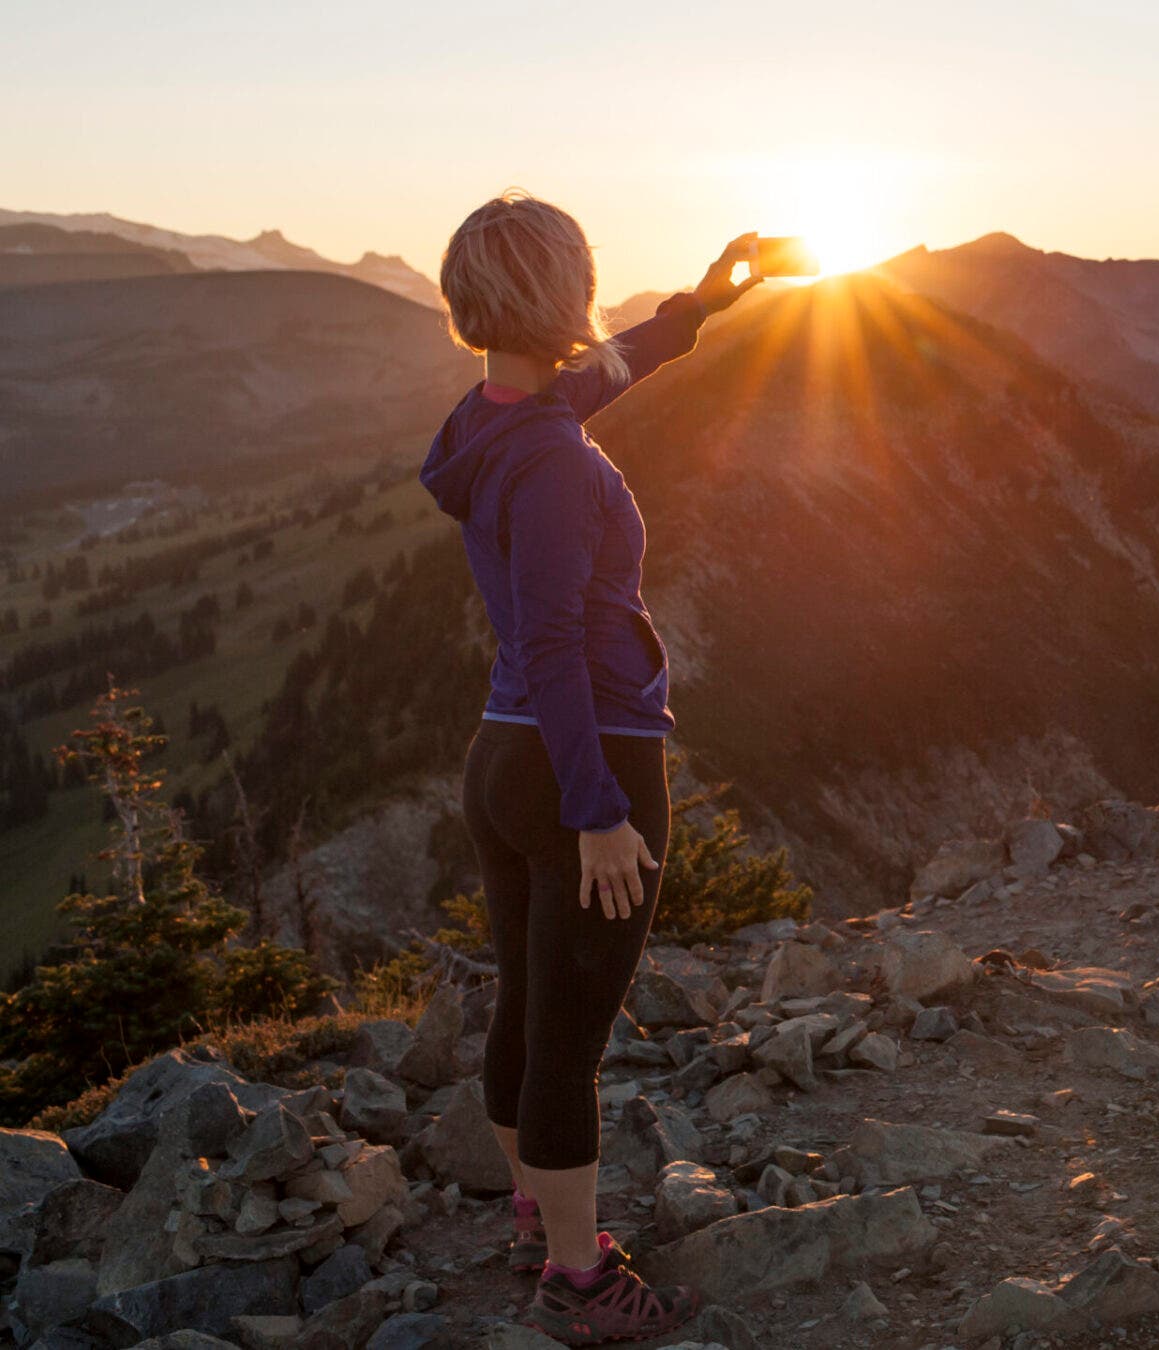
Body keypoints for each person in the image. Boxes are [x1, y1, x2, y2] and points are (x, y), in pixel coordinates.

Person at [420, 190, 760, 1344]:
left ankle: (534, 1209)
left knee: (527, 1001)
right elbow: (561, 642)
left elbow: (590, 383)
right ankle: (578, 1281)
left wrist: (702, 307)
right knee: (570, 1039)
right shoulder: (555, 460)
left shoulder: (487, 419)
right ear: (562, 292)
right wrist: (603, 811)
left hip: (499, 756)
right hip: (585, 758)